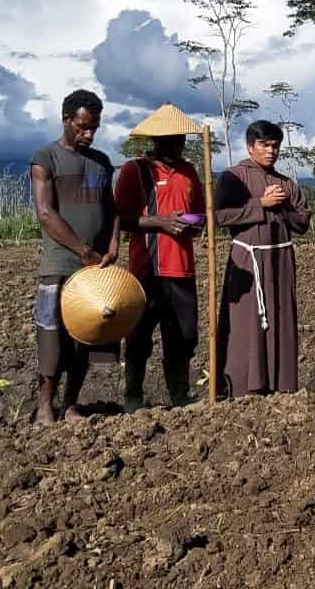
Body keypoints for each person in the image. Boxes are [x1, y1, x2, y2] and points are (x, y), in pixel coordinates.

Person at [30, 89, 120, 425]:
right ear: (66, 119)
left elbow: (112, 209)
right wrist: (82, 251)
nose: (88, 134)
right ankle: (44, 407)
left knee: (87, 334)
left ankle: (70, 404)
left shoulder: (100, 161)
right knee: (52, 336)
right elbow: (45, 213)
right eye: (82, 127)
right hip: (61, 264)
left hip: (96, 264)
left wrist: (112, 246)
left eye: (93, 128)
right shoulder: (46, 157)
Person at [114, 103, 205, 411]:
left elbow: (199, 213)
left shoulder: (189, 171)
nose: (176, 144)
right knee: (139, 336)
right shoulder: (135, 170)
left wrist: (196, 224)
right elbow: (120, 218)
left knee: (184, 336)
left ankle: (180, 395)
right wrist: (161, 221)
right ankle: (133, 396)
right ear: (155, 140)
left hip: (182, 268)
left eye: (180, 138)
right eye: (169, 139)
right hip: (147, 269)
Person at [214, 120, 311, 397]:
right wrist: (260, 204)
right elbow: (218, 216)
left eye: (275, 146)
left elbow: (302, 222)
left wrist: (284, 206)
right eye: (264, 145)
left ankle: (281, 384)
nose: (271, 151)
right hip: (248, 261)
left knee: (280, 319)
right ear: (250, 146)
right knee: (247, 322)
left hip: (280, 262)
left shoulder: (286, 183)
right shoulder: (233, 177)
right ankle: (242, 387)